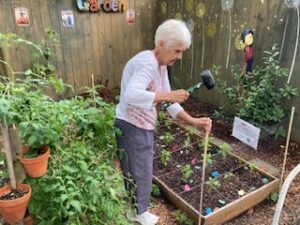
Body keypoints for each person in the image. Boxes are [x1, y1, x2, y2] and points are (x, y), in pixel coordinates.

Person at [115, 19, 212, 225]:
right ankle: (139, 214)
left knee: (139, 168)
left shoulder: (160, 66)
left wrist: (194, 121)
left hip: (140, 125)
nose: (179, 56)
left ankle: (136, 210)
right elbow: (131, 94)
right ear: (161, 44)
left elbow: (170, 103)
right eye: (176, 50)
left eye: (182, 51)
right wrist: (166, 96)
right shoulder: (147, 63)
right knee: (139, 170)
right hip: (132, 126)